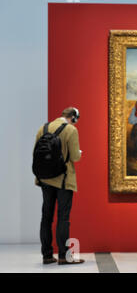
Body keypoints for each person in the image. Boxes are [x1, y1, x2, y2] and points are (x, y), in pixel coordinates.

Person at [34, 107, 84, 265]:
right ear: (73, 118)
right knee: (63, 217)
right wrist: (80, 153)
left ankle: (47, 255)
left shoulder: (43, 128)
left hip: (45, 179)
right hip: (63, 179)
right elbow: (75, 157)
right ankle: (63, 256)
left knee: (46, 217)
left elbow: (37, 153)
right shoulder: (71, 130)